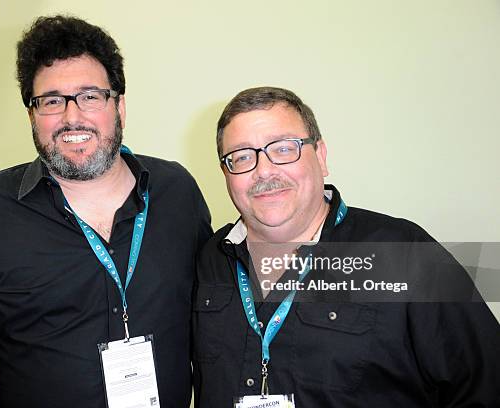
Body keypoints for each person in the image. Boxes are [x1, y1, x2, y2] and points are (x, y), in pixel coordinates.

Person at [0, 15, 211, 407]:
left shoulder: (178, 192)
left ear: (119, 107)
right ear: (32, 116)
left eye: (90, 96)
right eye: (52, 101)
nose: (72, 117)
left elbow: (213, 321)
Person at [192, 86, 499, 407]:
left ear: (321, 156)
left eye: (283, 149)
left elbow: (485, 388)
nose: (264, 170)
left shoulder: (405, 253)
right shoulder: (209, 259)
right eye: (241, 157)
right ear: (226, 174)